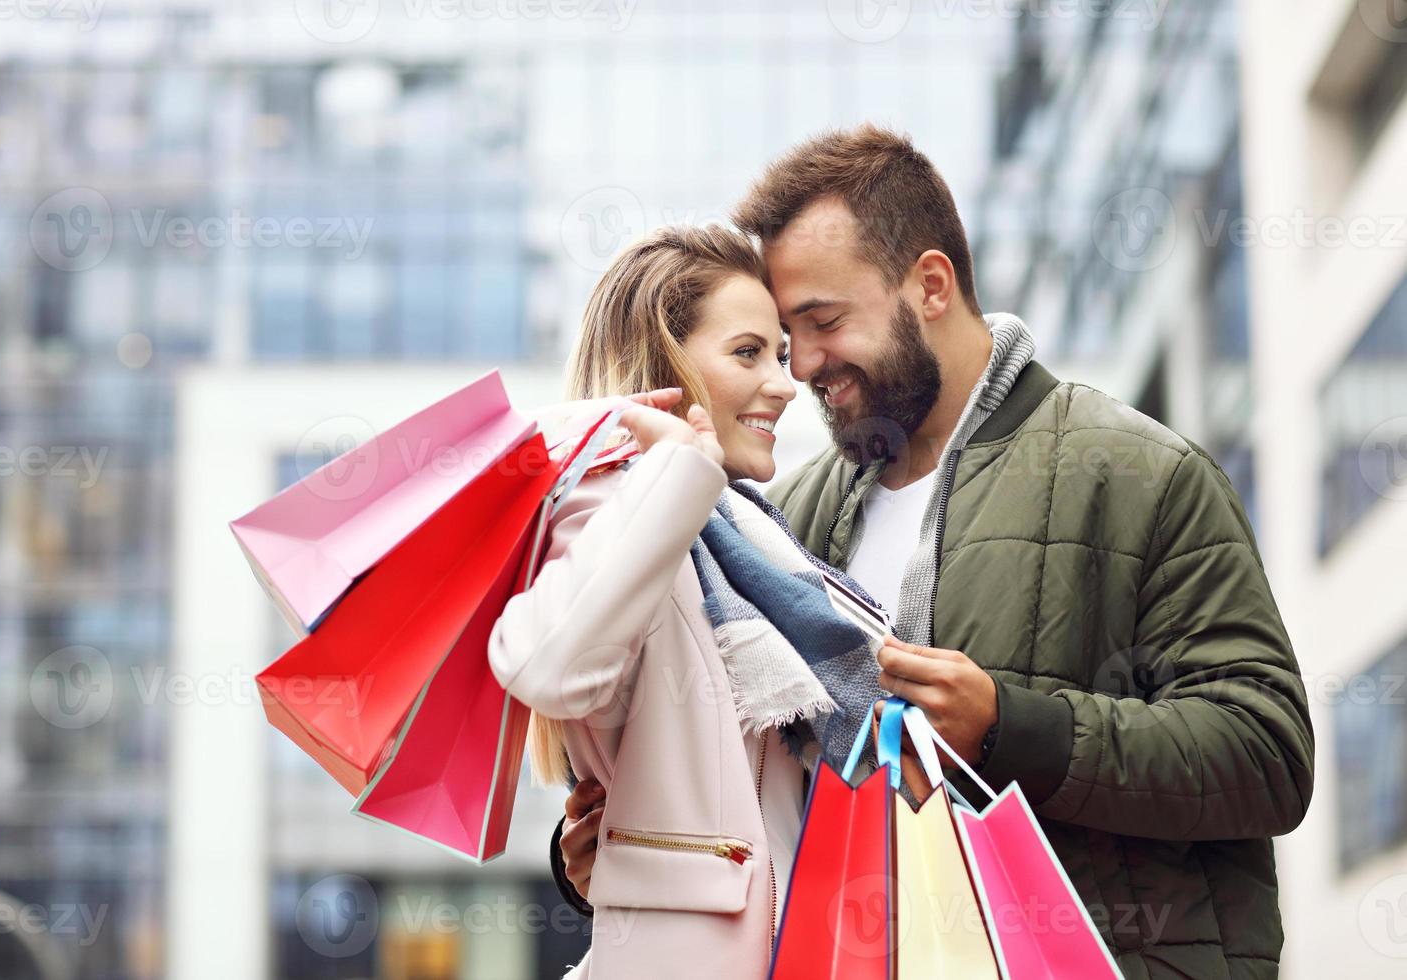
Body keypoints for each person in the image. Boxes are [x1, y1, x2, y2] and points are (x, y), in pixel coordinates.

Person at [556, 125, 1315, 979]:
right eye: (781, 335)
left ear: (930, 285)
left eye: (824, 321)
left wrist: (1008, 725)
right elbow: (749, 789)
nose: (802, 364)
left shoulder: (1141, 474)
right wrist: (627, 850)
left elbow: (1268, 755)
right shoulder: (788, 520)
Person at [490, 225, 886, 979]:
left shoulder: (746, 540)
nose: (782, 381)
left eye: (778, 353)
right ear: (666, 363)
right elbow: (543, 665)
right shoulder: (619, 505)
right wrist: (678, 472)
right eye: (748, 353)